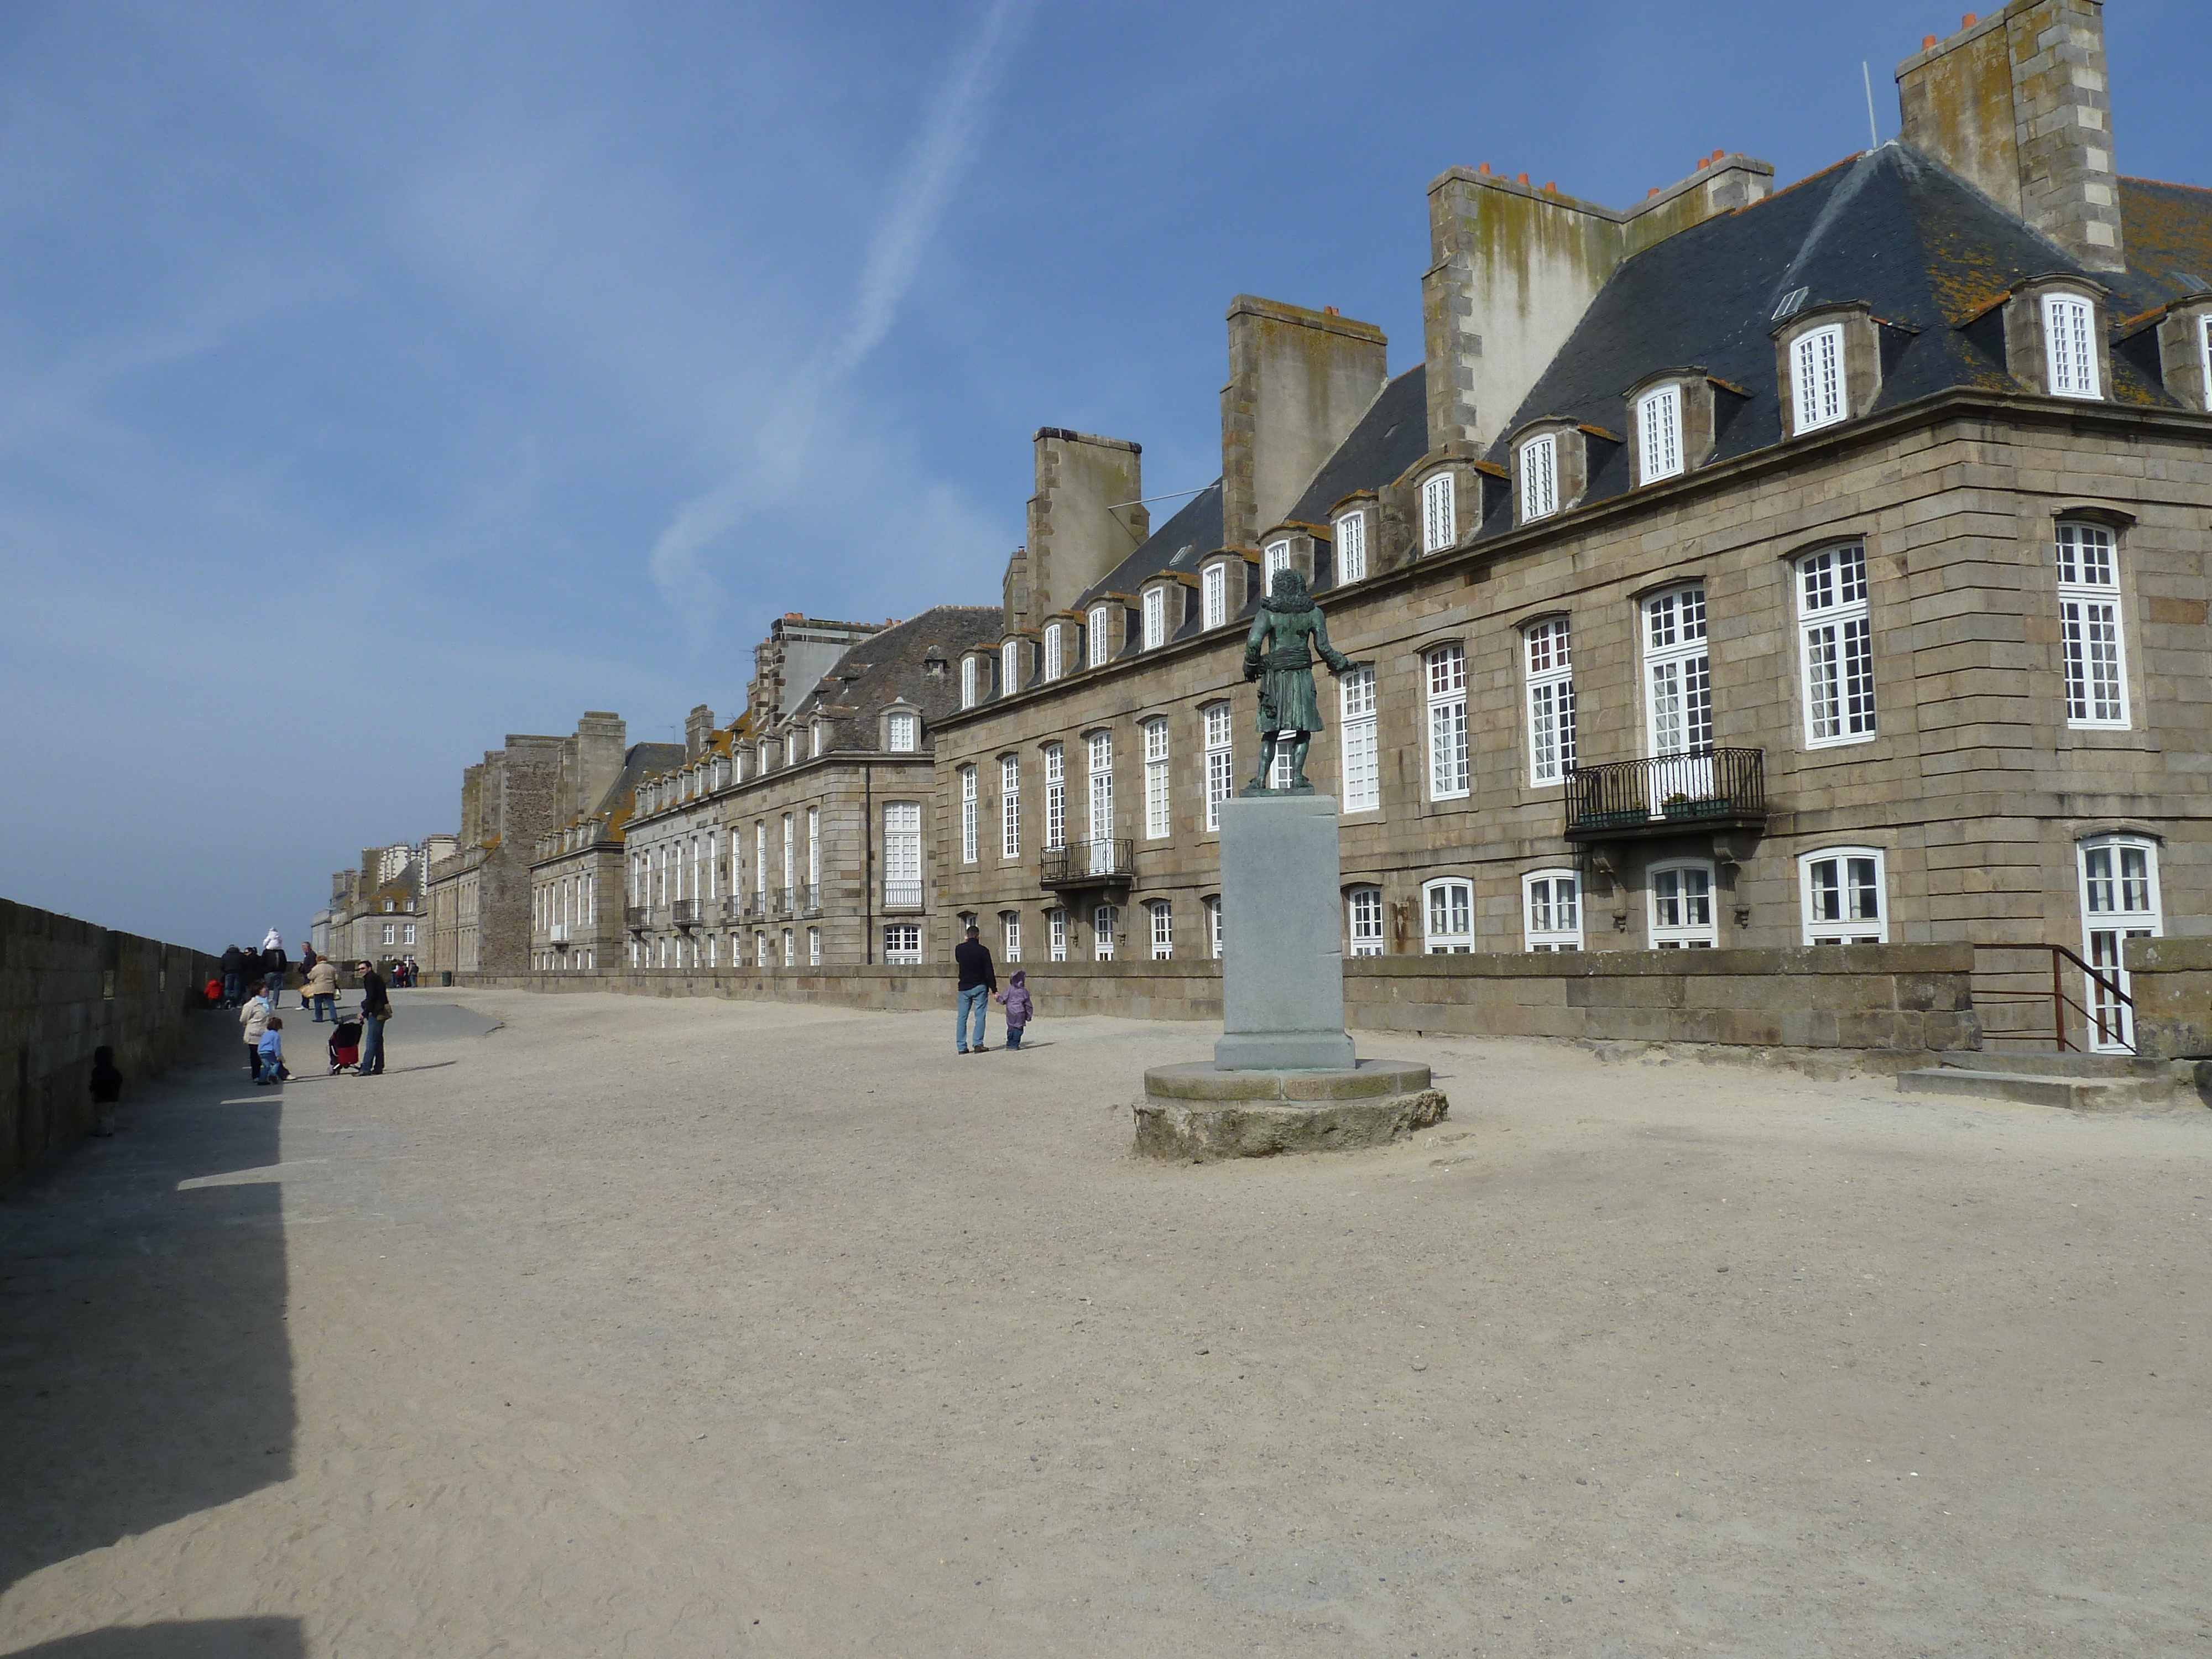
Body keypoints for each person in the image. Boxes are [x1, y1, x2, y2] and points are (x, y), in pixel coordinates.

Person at [1240, 566, 1352, 794]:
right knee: (1303, 729)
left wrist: (1251, 667)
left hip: (1276, 678)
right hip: (1301, 675)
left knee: (1271, 731)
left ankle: (1261, 779)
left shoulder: (1268, 613)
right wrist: (1341, 663)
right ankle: (1297, 777)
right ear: (1301, 587)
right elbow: (1323, 647)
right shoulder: (1313, 613)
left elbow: (1253, 643)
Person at [953, 924, 995, 1054]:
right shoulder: (983, 951)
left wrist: (966, 941)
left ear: (966, 936)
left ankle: (961, 1047)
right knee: (980, 1016)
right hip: (979, 986)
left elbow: (959, 960)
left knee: (962, 1017)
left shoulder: (959, 949)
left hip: (964, 987)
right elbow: (989, 971)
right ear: (979, 936)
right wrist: (994, 989)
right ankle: (978, 1043)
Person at [357, 961, 390, 1076]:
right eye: (360, 969)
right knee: (378, 1040)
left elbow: (372, 997)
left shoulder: (370, 979)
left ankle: (366, 1068)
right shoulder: (375, 978)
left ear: (369, 968)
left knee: (372, 1040)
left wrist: (364, 1013)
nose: (361, 971)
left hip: (377, 1011)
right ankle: (378, 1067)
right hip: (381, 1009)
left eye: (363, 969)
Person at [238, 987, 273, 1081]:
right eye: (264, 989)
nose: (267, 990)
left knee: (271, 1053)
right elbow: (243, 1019)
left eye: (267, 989)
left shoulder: (269, 1002)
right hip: (255, 1033)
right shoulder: (250, 1005)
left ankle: (279, 1073)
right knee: (255, 1055)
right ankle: (256, 1075)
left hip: (267, 1033)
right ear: (258, 991)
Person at [993, 969, 1032, 1051]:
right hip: (1020, 1012)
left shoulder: (1010, 989)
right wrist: (1029, 1015)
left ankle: (1010, 1043)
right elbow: (1028, 1005)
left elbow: (1003, 1000)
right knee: (1018, 1029)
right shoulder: (1024, 991)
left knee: (1011, 1027)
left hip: (1011, 1011)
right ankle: (1015, 1044)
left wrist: (997, 998)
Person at [90, 1045, 123, 1136]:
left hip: (102, 1098)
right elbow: (120, 1079)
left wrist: (93, 1091)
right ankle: (110, 1130)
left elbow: (95, 1083)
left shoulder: (97, 1070)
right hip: (114, 1097)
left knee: (102, 1116)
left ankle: (103, 1132)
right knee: (110, 1115)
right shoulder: (113, 1070)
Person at [303, 954, 339, 1022]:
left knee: (318, 1003)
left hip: (319, 988)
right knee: (330, 1003)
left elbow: (311, 977)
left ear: (318, 960)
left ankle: (319, 1018)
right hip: (329, 988)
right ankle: (334, 1017)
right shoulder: (331, 968)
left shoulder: (316, 968)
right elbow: (336, 978)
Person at [255, 1017, 286, 1086]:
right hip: (270, 1051)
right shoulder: (276, 1035)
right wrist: (278, 1055)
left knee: (267, 1066)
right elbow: (276, 1046)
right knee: (276, 1064)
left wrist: (259, 1051)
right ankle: (272, 1075)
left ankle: (262, 1080)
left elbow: (261, 1043)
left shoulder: (265, 1034)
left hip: (261, 1051)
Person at [262, 934, 288, 1007]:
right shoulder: (281, 952)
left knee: (266, 988)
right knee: (277, 989)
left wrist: (264, 971)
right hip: (279, 972)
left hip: (269, 972)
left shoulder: (266, 952)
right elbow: (284, 962)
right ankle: (275, 1003)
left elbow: (262, 962)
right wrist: (283, 971)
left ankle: (266, 1002)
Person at [220, 943, 244, 1008]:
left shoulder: (225, 956)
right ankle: (235, 1002)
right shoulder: (241, 955)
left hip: (228, 972)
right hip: (238, 972)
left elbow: (221, 965)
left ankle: (228, 1000)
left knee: (228, 988)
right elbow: (244, 964)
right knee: (237, 988)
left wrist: (225, 970)